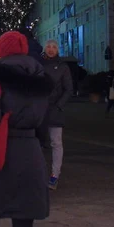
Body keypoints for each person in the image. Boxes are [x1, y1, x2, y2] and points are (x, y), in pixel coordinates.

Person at [0, 31, 52, 227]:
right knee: (25, 213)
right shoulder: (40, 75)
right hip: (29, 150)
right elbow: (43, 118)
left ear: (1, 50)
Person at [38, 39, 73, 191]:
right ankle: (37, 173)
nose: (51, 49)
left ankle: (55, 175)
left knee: (56, 143)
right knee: (37, 142)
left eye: (54, 47)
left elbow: (68, 89)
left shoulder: (63, 67)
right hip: (39, 109)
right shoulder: (38, 64)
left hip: (55, 110)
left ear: (58, 50)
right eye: (48, 47)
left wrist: (59, 105)